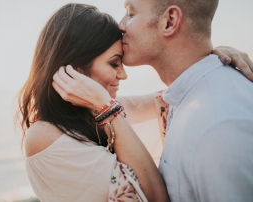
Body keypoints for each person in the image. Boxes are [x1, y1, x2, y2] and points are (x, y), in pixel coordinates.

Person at [52, 0, 253, 202]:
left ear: (169, 21)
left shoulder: (218, 125)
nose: (120, 25)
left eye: (130, 13)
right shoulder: (182, 98)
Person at [18, 3, 168, 202]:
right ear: (76, 71)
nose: (123, 75)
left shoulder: (102, 110)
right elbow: (155, 197)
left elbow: (173, 97)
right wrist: (108, 111)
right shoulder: (45, 137)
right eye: (114, 63)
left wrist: (213, 58)